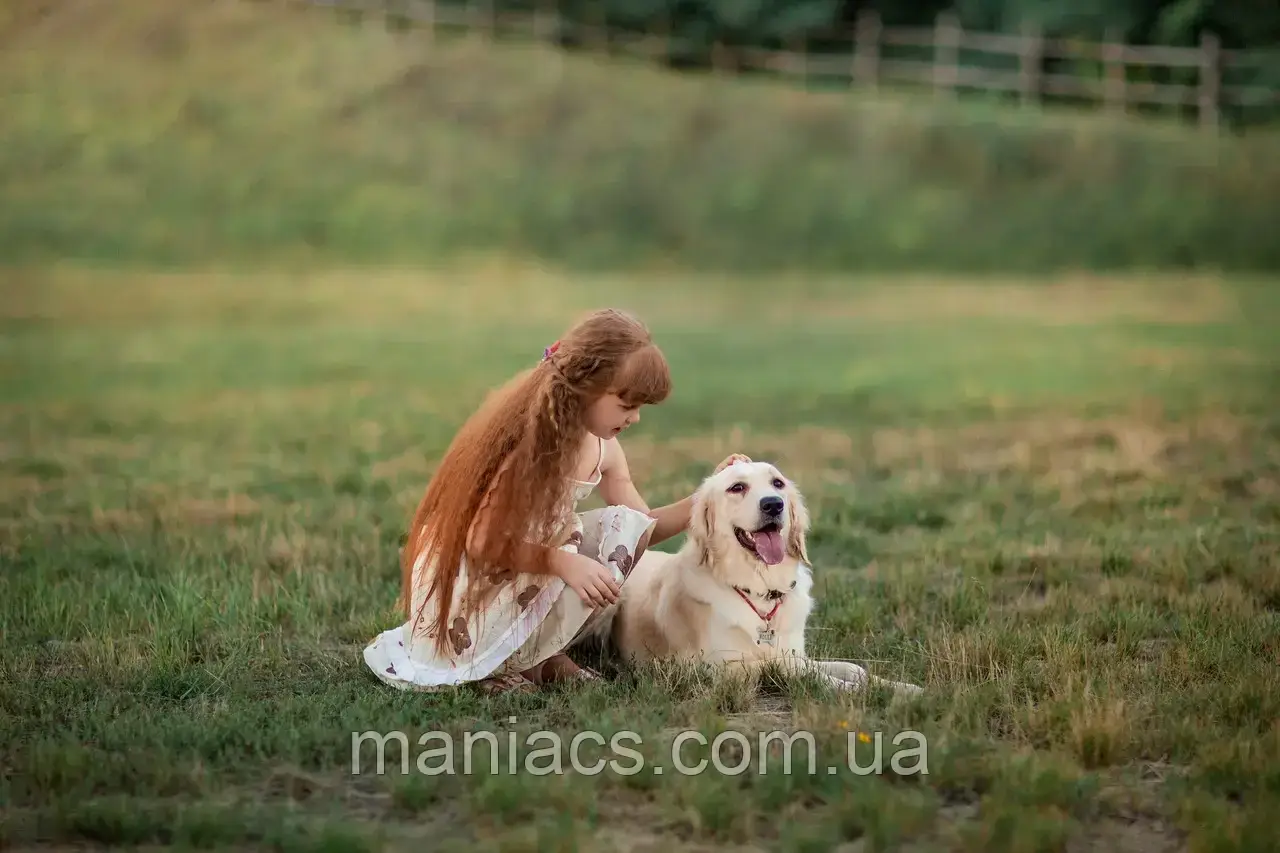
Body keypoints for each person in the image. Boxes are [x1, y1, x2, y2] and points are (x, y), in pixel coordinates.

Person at [363, 308, 748, 695]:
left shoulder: (605, 449)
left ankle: (538, 656)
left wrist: (709, 495)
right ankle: (494, 662)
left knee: (622, 531)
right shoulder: (533, 448)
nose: (635, 419)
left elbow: (643, 527)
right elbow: (481, 543)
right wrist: (561, 561)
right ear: (587, 386)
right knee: (572, 549)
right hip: (480, 578)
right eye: (627, 405)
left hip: (527, 571)